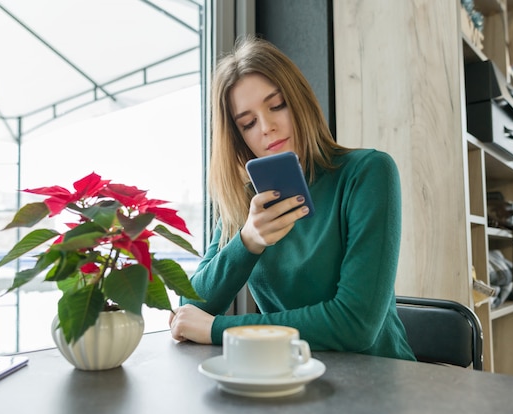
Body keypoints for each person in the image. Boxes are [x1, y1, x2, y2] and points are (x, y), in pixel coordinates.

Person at [169, 35, 415, 361]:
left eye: (276, 106)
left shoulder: (367, 173)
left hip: (377, 382)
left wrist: (221, 330)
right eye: (248, 123)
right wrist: (248, 241)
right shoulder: (245, 202)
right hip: (287, 381)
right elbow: (190, 310)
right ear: (238, 137)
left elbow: (356, 325)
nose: (267, 127)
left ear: (298, 101)